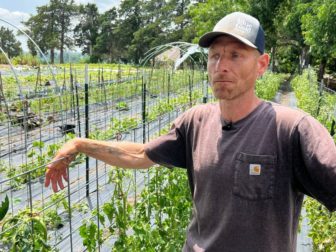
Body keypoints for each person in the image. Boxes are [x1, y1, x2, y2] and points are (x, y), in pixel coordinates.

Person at [45, 12, 336, 252]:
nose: (222, 66)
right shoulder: (196, 121)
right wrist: (80, 144)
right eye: (215, 56)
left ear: (262, 64)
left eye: (236, 55)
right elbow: (142, 155)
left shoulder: (291, 128)